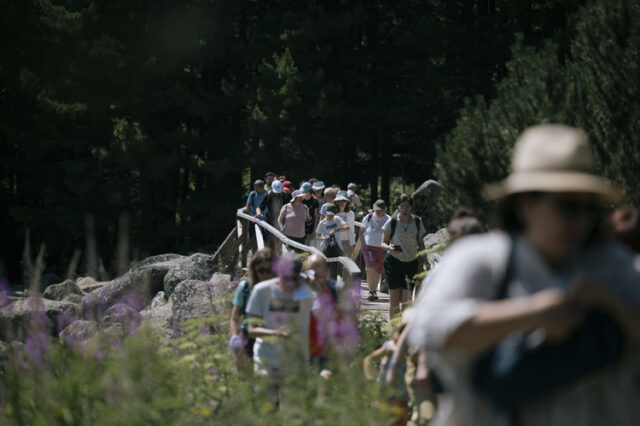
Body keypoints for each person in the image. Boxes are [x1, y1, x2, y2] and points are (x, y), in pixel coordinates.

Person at [408, 124, 640, 426]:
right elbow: (430, 328)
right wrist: (534, 313)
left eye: (589, 208)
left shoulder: (611, 264)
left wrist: (607, 301)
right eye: (568, 206)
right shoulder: (481, 259)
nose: (581, 221)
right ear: (525, 203)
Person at [247, 253, 314, 408]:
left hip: (295, 363)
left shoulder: (306, 293)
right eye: (285, 278)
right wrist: (276, 333)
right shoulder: (262, 290)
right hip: (266, 360)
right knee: (267, 411)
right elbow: (251, 329)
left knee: (292, 415)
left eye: (293, 279)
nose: (289, 283)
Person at [381, 193, 427, 319]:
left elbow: (421, 243)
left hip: (411, 263)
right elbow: (382, 243)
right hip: (393, 263)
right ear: (398, 207)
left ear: (411, 207)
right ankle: (393, 332)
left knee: (407, 301)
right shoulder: (392, 221)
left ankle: (403, 330)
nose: (405, 209)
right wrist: (390, 248)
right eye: (402, 206)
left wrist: (425, 260)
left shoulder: (417, 221)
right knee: (394, 302)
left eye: (407, 206)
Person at [229, 248, 275, 369]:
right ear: (254, 270)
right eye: (261, 270)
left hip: (272, 337)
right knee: (246, 379)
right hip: (248, 338)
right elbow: (234, 318)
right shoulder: (245, 287)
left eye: (269, 270)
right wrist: (235, 339)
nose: (265, 274)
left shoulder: (279, 289)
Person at [364, 311, 411, 426]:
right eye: (402, 332)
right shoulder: (388, 347)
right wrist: (369, 378)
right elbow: (368, 360)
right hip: (383, 394)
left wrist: (399, 353)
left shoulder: (411, 350)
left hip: (402, 397)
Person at [359, 199, 391, 301]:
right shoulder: (368, 217)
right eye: (376, 209)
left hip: (382, 247)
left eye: (380, 210)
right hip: (368, 246)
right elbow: (361, 231)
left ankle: (374, 290)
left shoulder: (388, 219)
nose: (377, 211)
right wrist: (362, 243)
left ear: (384, 210)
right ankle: (371, 290)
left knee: (378, 270)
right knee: (370, 267)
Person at [257, 180, 291, 253]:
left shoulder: (285, 195)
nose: (276, 194)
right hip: (269, 221)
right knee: (268, 240)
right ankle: (268, 256)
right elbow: (260, 206)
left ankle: (277, 258)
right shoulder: (268, 195)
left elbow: (290, 206)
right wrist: (258, 212)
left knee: (280, 241)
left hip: (281, 222)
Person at [316, 203, 349, 278]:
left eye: (332, 214)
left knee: (337, 269)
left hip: (338, 247)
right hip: (326, 248)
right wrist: (324, 238)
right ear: (325, 213)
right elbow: (317, 236)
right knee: (328, 269)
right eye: (328, 214)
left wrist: (336, 230)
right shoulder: (322, 223)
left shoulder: (337, 219)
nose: (330, 216)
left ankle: (335, 285)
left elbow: (347, 227)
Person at [335, 191, 356, 258]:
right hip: (335, 242)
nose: (341, 203)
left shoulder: (351, 214)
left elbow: (352, 230)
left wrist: (352, 244)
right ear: (336, 202)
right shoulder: (333, 213)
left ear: (347, 202)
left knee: (346, 264)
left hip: (346, 242)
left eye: (344, 201)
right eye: (339, 201)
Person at [301, 182, 320, 246]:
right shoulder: (300, 200)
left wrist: (314, 231)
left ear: (309, 191)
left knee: (308, 245)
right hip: (301, 227)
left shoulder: (315, 201)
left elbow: (316, 216)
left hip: (311, 227)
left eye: (305, 191)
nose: (303, 193)